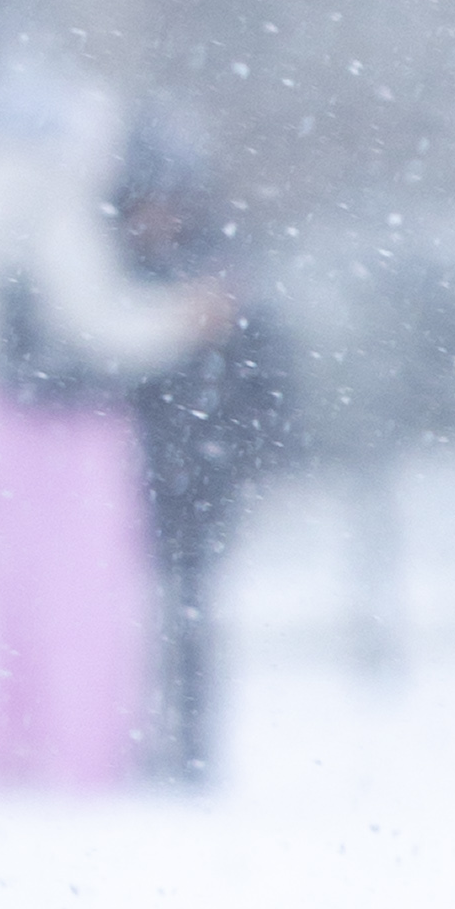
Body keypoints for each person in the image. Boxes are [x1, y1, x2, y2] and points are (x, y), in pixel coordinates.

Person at [0, 60, 229, 786]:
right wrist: (184, 317)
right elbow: (96, 323)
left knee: (12, 603)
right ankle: (90, 758)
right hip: (74, 425)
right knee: (89, 600)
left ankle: (15, 755)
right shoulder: (56, 208)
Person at [114, 111, 299, 785]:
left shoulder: (224, 272)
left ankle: (191, 747)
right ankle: (129, 742)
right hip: (125, 471)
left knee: (189, 615)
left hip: (203, 468)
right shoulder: (116, 274)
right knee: (126, 617)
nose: (156, 214)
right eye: (143, 200)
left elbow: (266, 374)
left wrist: (257, 454)